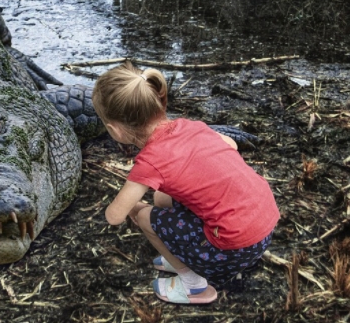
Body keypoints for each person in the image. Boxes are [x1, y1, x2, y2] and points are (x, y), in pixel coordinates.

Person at [92, 63, 279, 304]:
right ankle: (182, 252)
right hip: (263, 229)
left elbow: (114, 217)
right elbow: (230, 145)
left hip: (232, 250)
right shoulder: (191, 127)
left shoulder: (149, 163)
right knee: (162, 198)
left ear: (114, 130)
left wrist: (134, 208)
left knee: (146, 216)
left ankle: (195, 287)